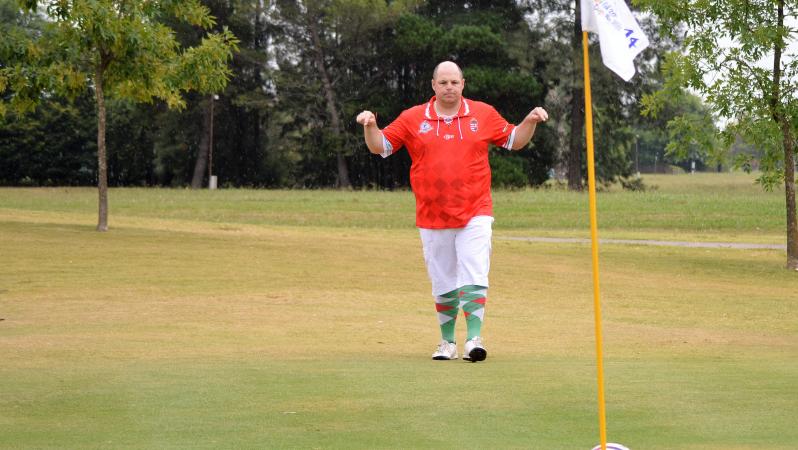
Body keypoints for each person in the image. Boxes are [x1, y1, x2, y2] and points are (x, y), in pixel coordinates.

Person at [356, 61, 548, 362]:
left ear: (463, 84)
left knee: (474, 270)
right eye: (443, 82)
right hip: (432, 214)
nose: (449, 87)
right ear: (433, 85)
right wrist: (370, 126)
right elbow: (379, 146)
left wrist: (530, 120)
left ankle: (474, 339)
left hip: (476, 210)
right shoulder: (413, 117)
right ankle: (447, 343)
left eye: (454, 82)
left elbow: (514, 140)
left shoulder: (482, 113)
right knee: (443, 280)